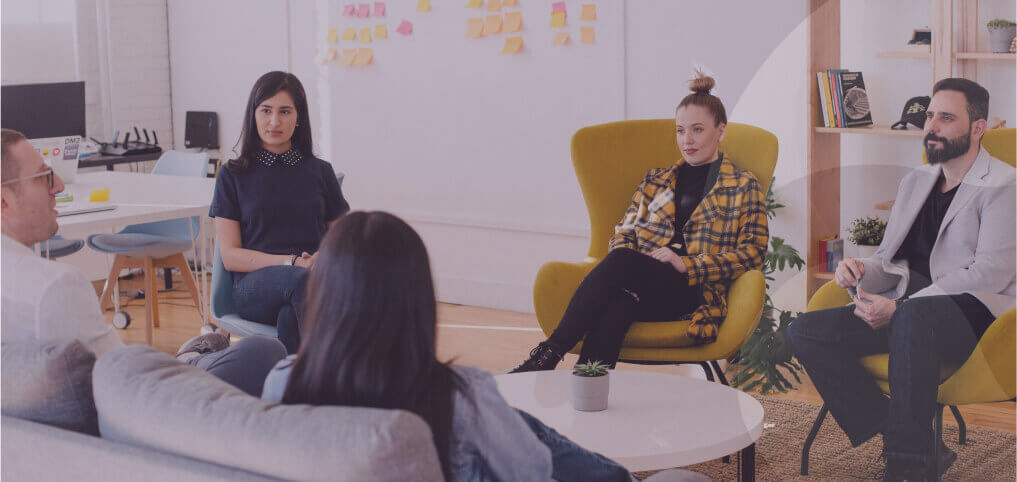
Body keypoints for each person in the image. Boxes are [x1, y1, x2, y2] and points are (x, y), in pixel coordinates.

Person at [261, 211, 637, 481]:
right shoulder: (460, 395)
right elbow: (532, 471)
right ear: (417, 299)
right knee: (515, 426)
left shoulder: (282, 382)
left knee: (517, 422)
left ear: (325, 295)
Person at [788, 78, 1015, 481]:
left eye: (946, 117)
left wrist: (902, 308)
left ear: (977, 128)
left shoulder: (1004, 185)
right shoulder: (916, 182)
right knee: (805, 330)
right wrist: (859, 268)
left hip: (977, 319)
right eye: (929, 116)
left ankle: (907, 468)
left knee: (914, 319)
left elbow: (990, 273)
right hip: (907, 315)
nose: (932, 126)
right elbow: (891, 260)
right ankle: (918, 445)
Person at [511, 73, 769, 372]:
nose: (687, 140)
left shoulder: (742, 185)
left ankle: (548, 353)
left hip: (693, 292)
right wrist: (640, 264)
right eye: (681, 130)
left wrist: (689, 264)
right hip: (641, 282)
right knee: (617, 305)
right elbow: (624, 232)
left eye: (697, 129)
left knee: (621, 263)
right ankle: (587, 388)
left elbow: (754, 252)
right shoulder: (656, 180)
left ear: (720, 131)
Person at [1, 128, 287, 397]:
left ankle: (187, 358)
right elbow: (122, 377)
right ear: (3, 201)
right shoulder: (53, 287)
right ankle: (188, 360)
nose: (59, 185)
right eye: (43, 176)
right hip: (147, 405)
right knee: (263, 350)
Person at [209, 71, 349, 353]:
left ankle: (293, 390)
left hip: (308, 284)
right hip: (252, 288)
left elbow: (345, 238)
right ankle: (343, 374)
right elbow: (231, 256)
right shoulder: (232, 175)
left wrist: (323, 256)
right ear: (254, 114)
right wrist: (293, 262)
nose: (275, 121)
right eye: (266, 111)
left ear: (298, 118)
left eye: (285, 111)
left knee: (291, 317)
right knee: (302, 282)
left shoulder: (320, 172)